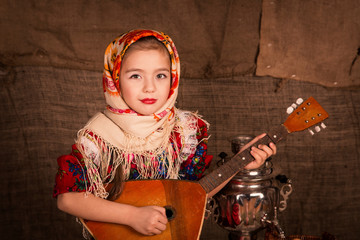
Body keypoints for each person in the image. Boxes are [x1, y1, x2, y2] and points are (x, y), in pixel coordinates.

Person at [53, 29, 276, 237]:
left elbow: (194, 194)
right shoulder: (97, 137)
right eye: (135, 76)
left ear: (173, 77)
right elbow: (68, 199)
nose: (150, 87)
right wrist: (132, 216)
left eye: (160, 75)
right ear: (115, 79)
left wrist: (239, 163)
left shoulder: (184, 130)